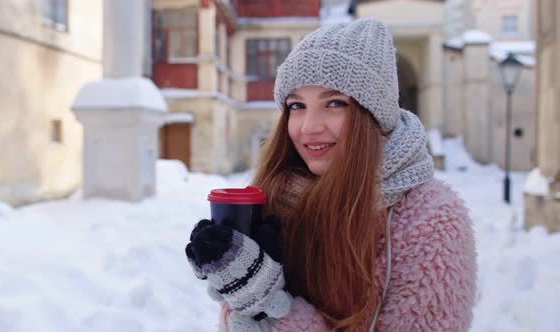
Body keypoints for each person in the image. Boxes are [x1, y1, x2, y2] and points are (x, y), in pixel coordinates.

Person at [185, 18, 476, 332]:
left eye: (335, 103)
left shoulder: (430, 219)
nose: (309, 127)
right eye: (296, 105)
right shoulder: (279, 198)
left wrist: (272, 310)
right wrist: (242, 297)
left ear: (373, 116)